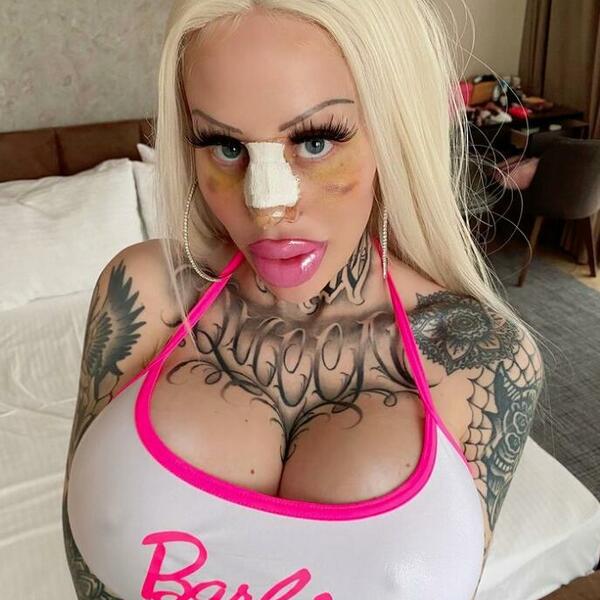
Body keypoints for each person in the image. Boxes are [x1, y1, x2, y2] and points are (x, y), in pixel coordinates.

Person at [63, 2, 545, 598]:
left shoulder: (486, 357)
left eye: (316, 141)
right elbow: (86, 568)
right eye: (225, 146)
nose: (267, 206)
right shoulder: (141, 293)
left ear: (393, 133)